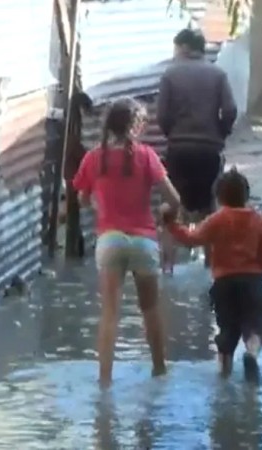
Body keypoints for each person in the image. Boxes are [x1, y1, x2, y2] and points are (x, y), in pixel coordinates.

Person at [72, 97, 181, 386]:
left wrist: (97, 204)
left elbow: (81, 198)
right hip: (144, 241)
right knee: (150, 310)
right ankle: (159, 371)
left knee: (109, 313)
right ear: (136, 126)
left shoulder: (94, 158)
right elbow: (174, 199)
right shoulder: (147, 156)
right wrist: (166, 217)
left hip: (109, 242)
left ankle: (104, 382)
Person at [161, 169, 262, 381]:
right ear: (246, 195)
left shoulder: (217, 219)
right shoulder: (261, 221)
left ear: (219, 197)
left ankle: (224, 375)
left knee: (227, 329)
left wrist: (172, 225)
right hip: (253, 281)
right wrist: (261, 269)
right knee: (257, 325)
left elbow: (191, 238)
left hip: (224, 283)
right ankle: (251, 352)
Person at [157, 28, 237, 221]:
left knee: (175, 207)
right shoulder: (218, 74)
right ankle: (209, 250)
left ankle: (174, 250)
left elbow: (162, 115)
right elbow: (230, 110)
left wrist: (172, 133)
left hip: (179, 149)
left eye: (175, 49)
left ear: (184, 48)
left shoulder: (170, 74)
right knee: (208, 209)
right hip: (209, 150)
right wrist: (221, 133)